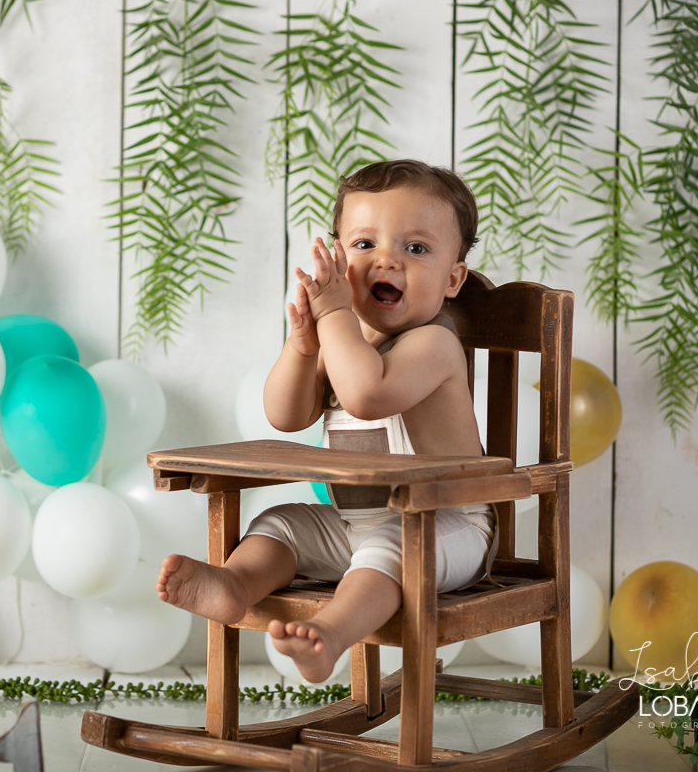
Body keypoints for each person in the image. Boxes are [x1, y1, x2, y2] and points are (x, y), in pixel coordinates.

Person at [157, 160, 495, 683]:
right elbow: (285, 415)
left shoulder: (435, 344)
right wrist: (303, 345)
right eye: (364, 245)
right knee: (280, 522)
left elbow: (365, 394)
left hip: (445, 528)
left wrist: (335, 316)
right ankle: (235, 586)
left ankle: (329, 635)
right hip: (355, 525)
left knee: (393, 546)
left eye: (416, 248)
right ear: (337, 257)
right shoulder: (343, 344)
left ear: (453, 279)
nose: (388, 260)